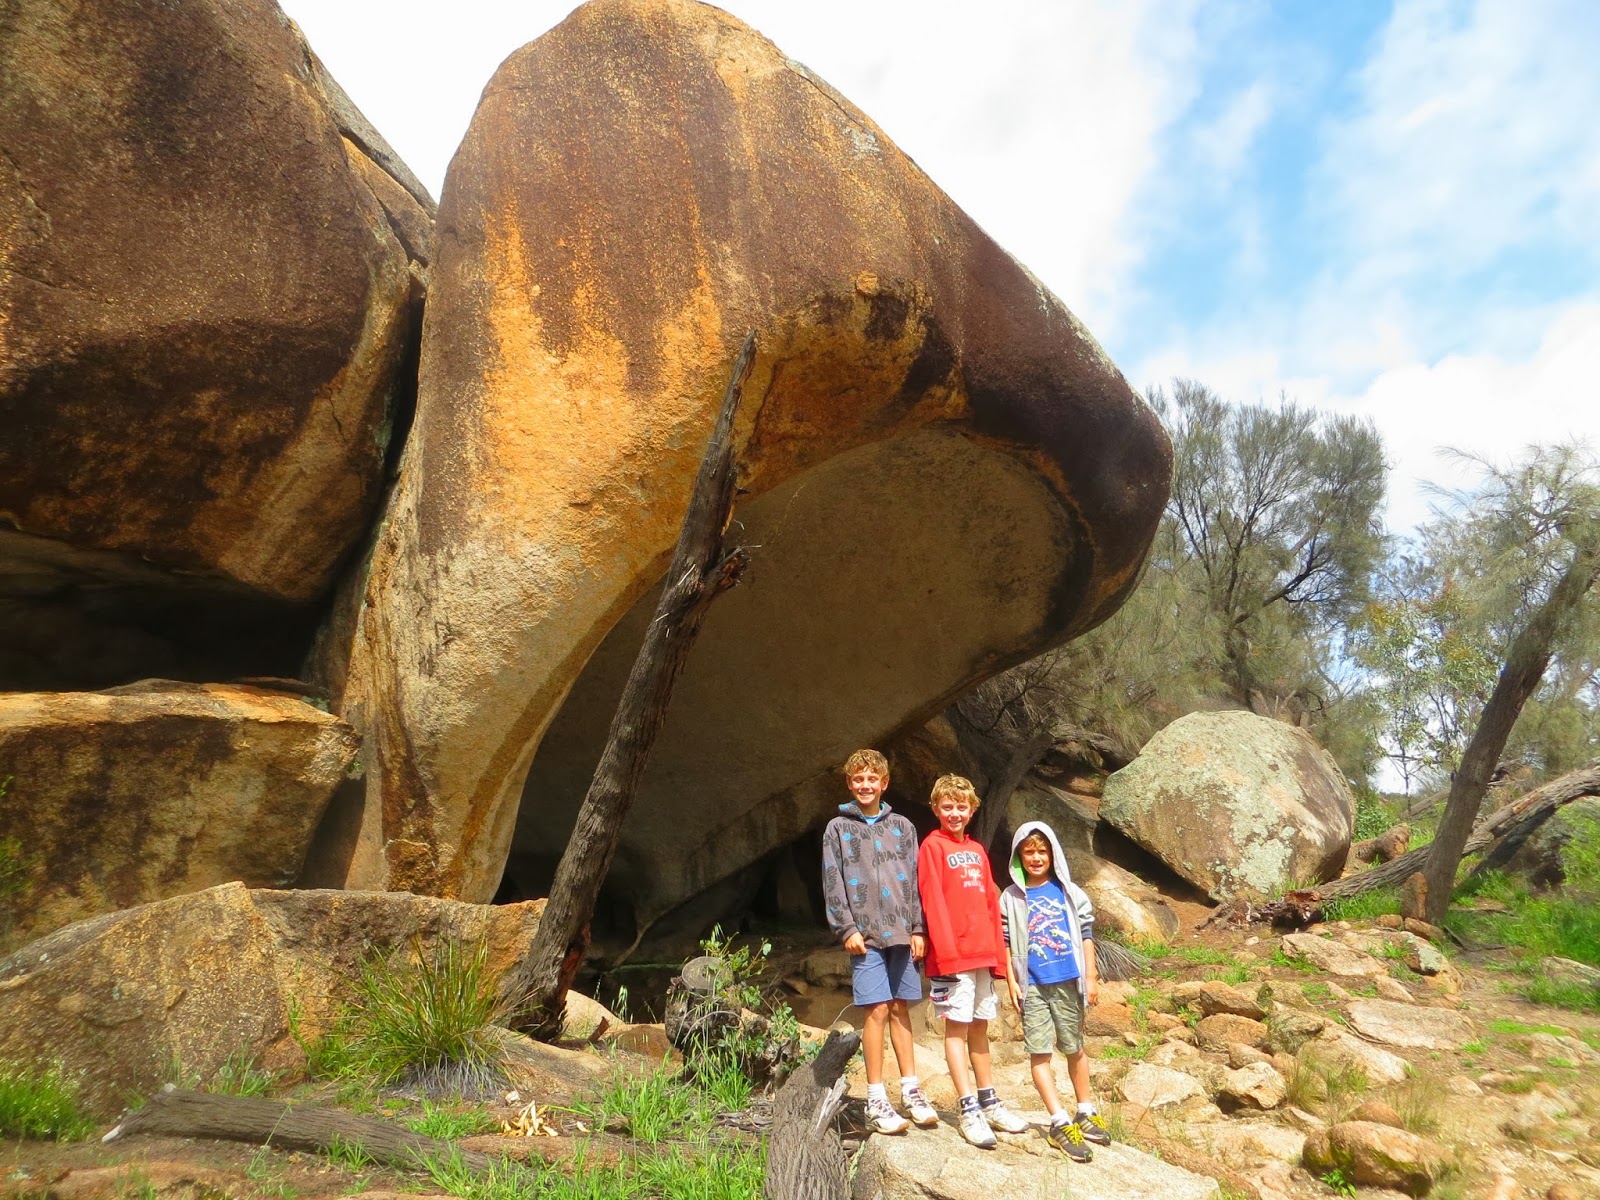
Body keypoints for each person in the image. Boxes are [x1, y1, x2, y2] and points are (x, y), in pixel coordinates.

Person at [820, 748, 938, 1135]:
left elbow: (916, 880)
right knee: (877, 1010)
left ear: (884, 783)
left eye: (873, 779)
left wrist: (920, 928)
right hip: (866, 937)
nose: (865, 785)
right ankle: (875, 1097)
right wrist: (846, 929)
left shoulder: (903, 826)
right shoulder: (837, 828)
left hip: (903, 934)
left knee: (901, 1007)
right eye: (858, 779)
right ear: (849, 784)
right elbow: (833, 880)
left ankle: (911, 1090)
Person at [917, 774, 1031, 1148]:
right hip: (953, 957)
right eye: (947, 807)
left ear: (972, 809)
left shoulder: (978, 851)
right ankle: (968, 1109)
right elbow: (932, 901)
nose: (954, 813)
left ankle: (989, 1100)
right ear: (936, 809)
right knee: (957, 1029)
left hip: (982, 954)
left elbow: (987, 903)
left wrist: (999, 958)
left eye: (961, 807)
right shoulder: (932, 847)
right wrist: (946, 954)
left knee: (980, 1026)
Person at [1000, 820, 1112, 1162]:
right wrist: (1011, 981)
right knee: (1039, 1053)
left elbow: (1087, 936)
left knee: (1074, 1047)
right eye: (1029, 852)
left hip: (1068, 980)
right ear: (1019, 856)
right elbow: (1004, 943)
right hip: (1032, 985)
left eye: (1042, 851)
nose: (1036, 858)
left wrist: (1090, 977)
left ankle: (1085, 1110)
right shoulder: (1011, 897)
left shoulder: (1070, 893)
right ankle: (1058, 1120)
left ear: (1053, 854)